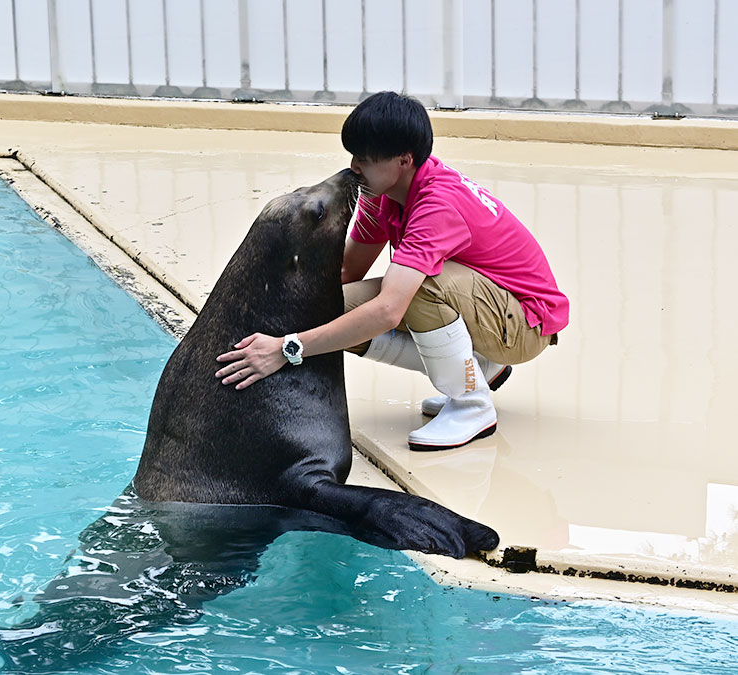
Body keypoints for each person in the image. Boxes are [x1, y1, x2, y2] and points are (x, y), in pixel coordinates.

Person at [215, 91, 569, 451]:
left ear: (404, 160)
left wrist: (289, 347)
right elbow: (348, 273)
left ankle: (471, 405)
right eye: (353, 155)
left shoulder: (437, 206)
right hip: (488, 306)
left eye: (365, 159)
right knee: (331, 310)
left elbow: (389, 309)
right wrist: (279, 309)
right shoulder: (383, 193)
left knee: (422, 288)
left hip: (524, 324)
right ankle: (478, 371)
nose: (353, 166)